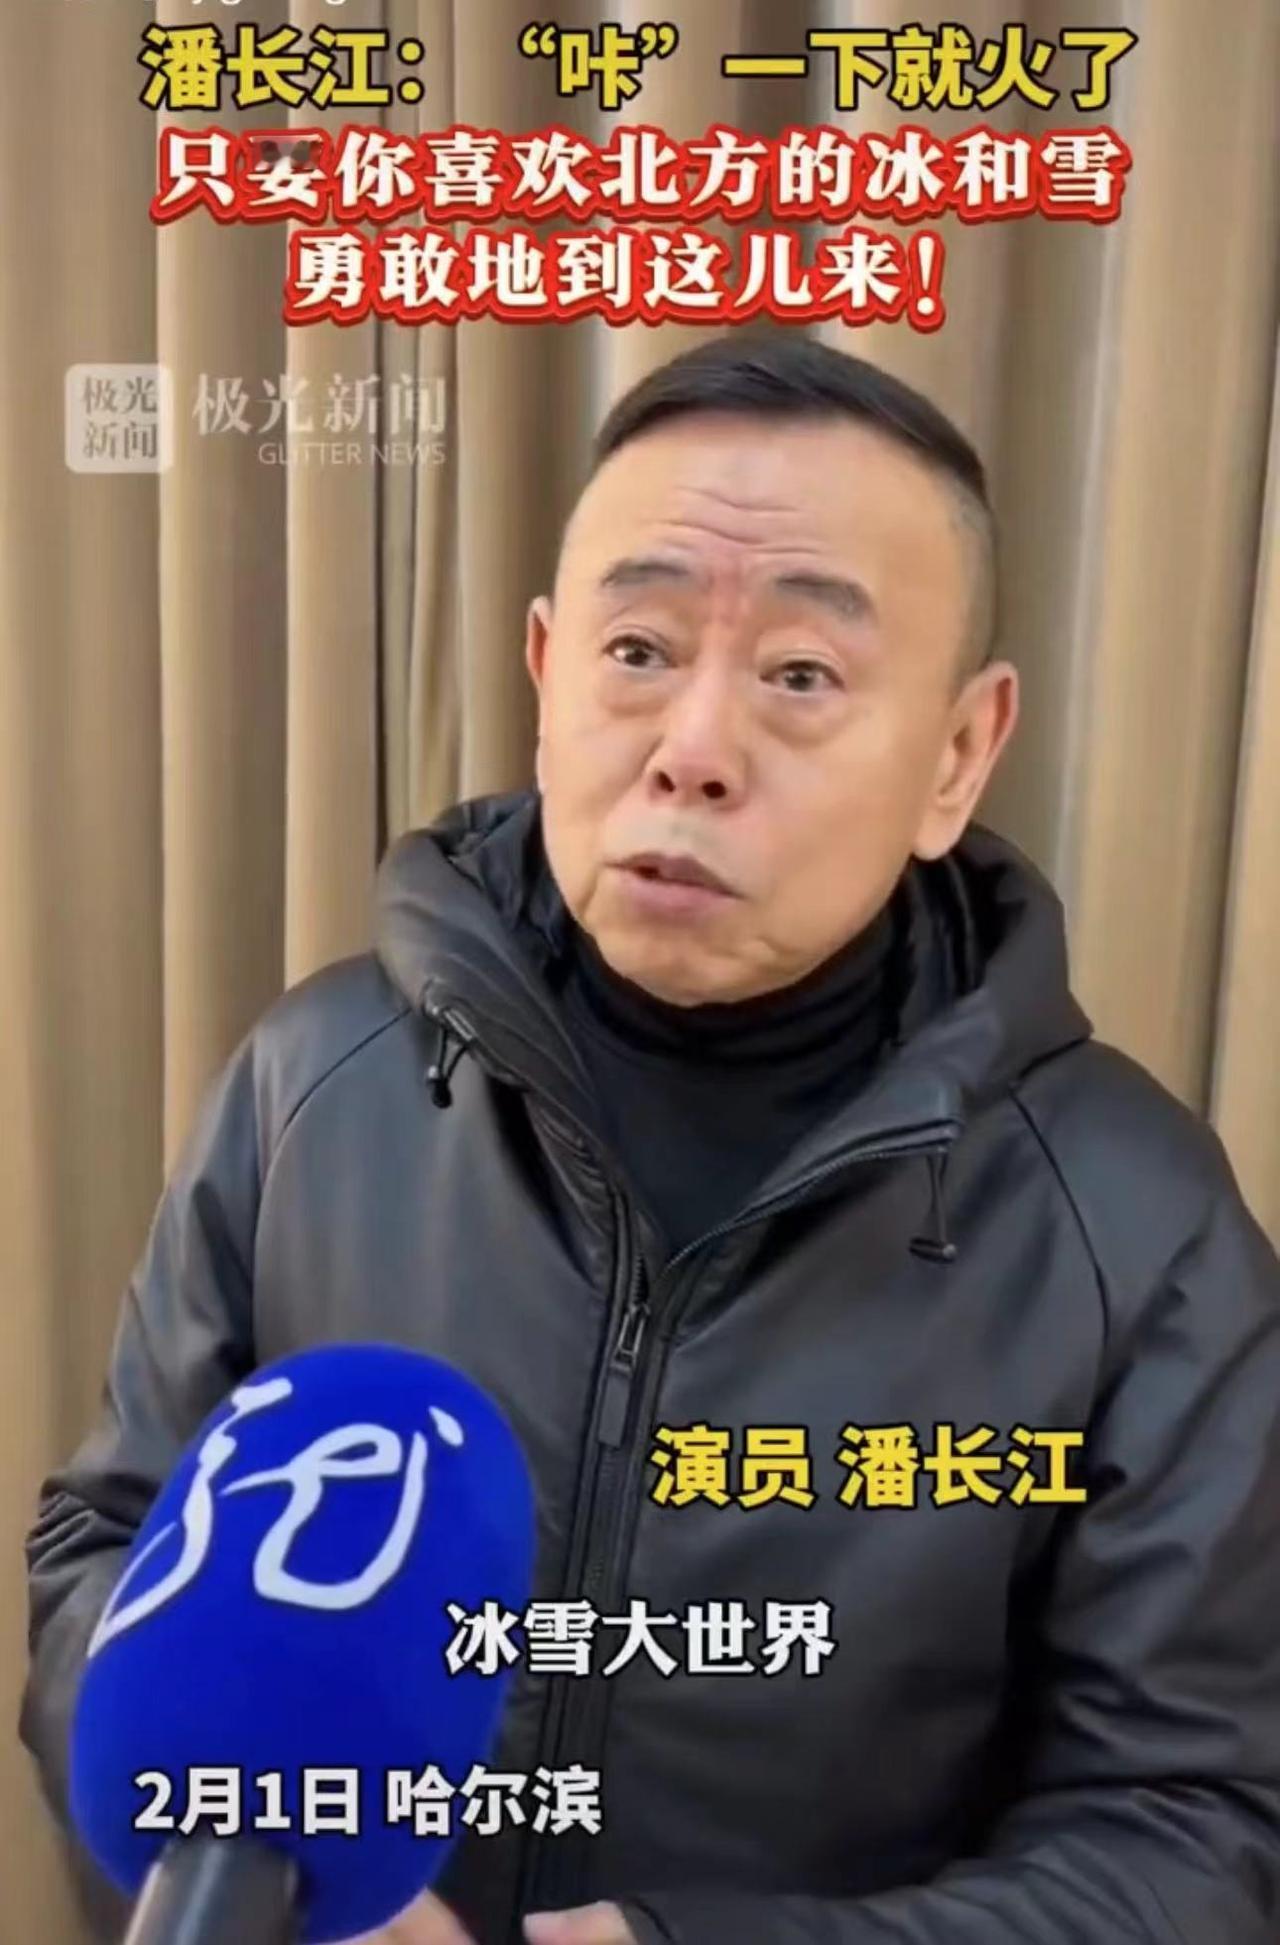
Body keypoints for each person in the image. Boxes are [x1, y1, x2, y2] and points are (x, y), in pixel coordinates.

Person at [22, 333, 1280, 1945]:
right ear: (546, 675)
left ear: (959, 754)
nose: (693, 746)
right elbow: (111, 1550)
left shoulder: (1138, 1229)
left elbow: (1193, 1829)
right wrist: (256, 1871)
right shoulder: (313, 1080)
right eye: (637, 647)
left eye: (801, 676)